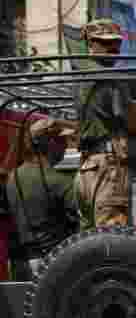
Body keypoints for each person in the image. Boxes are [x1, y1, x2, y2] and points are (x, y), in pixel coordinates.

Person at [76, 19, 136, 229]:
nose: (113, 49)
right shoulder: (113, 78)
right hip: (109, 166)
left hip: (87, 166)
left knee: (90, 237)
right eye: (106, 43)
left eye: (116, 43)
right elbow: (134, 124)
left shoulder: (79, 76)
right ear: (91, 43)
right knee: (112, 238)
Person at [5, 118, 78, 280]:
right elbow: (80, 220)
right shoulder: (60, 181)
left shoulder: (12, 177)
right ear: (50, 143)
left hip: (21, 265)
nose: (66, 146)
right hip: (54, 262)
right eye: (61, 140)